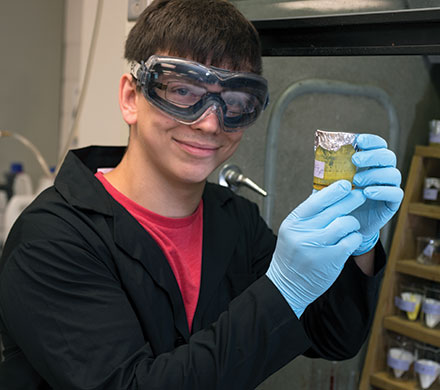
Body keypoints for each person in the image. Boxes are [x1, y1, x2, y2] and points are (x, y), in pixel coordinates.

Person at [0, 0, 403, 388]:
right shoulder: (51, 239)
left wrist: (359, 245)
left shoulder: (235, 221)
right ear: (130, 98)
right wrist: (283, 290)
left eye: (236, 102)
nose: (211, 123)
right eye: (183, 92)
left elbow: (332, 337)